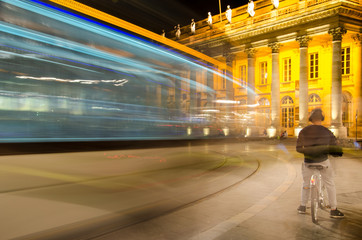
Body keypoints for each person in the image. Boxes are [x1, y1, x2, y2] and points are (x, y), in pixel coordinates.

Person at [296, 108, 344, 218]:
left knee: (306, 184)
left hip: (308, 162)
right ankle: (333, 209)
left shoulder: (303, 131)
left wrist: (308, 152)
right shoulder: (327, 131)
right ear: (321, 119)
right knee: (329, 183)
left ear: (310, 119)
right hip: (323, 162)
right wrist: (337, 153)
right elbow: (334, 149)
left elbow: (298, 149)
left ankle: (302, 206)